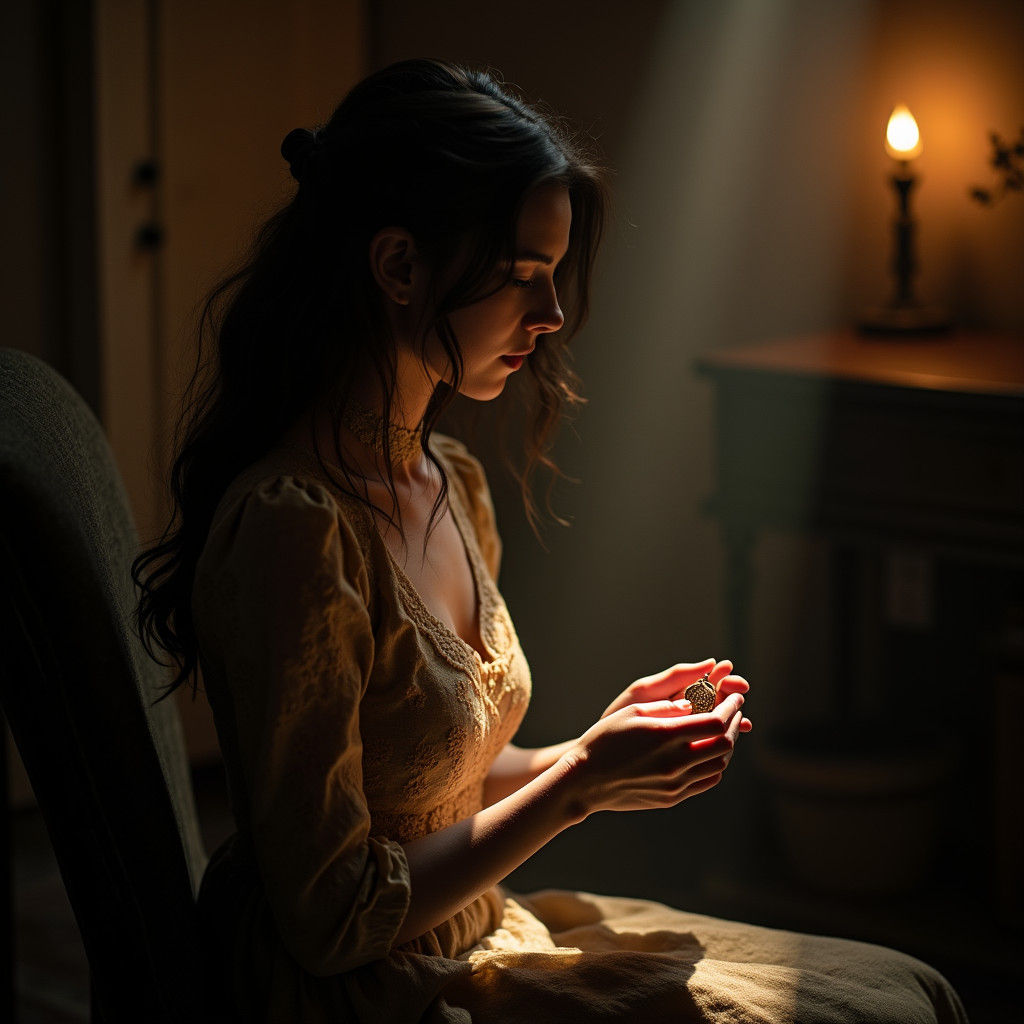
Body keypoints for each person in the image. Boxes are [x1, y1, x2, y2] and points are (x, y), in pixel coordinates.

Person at [132, 58, 967, 1023]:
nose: (552, 315)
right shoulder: (296, 530)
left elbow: (439, 784)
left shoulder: (449, 481)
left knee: (908, 989)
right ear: (399, 266)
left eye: (554, 275)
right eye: (525, 275)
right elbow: (330, 918)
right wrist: (578, 783)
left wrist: (605, 753)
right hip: (363, 989)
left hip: (474, 923)